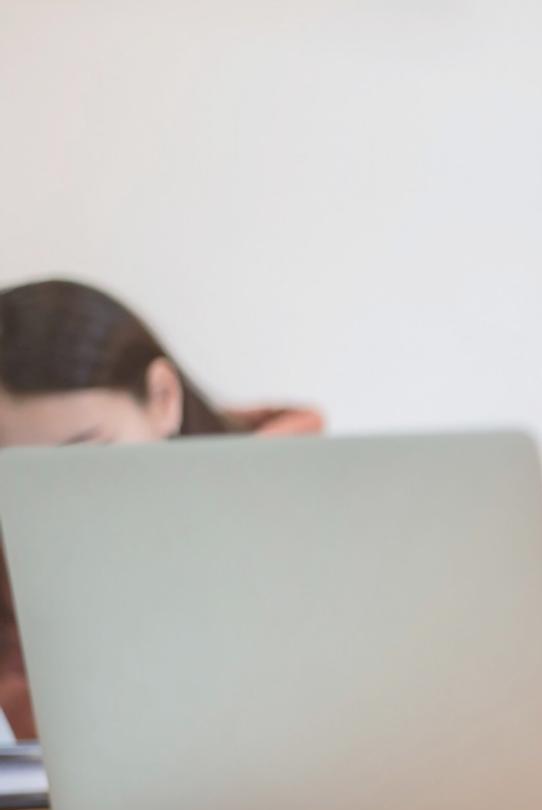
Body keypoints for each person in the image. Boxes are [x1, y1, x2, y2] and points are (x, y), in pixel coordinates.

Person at [0, 278, 323, 742]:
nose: (57, 502)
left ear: (163, 398)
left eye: (85, 460)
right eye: (17, 477)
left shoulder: (309, 516)